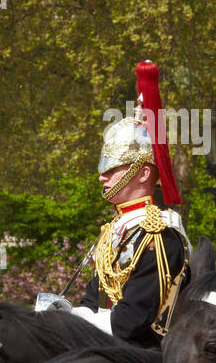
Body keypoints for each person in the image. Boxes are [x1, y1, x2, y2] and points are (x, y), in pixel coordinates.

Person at [71, 61, 190, 345]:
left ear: (143, 173)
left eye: (113, 169)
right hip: (105, 354)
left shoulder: (159, 236)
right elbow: (93, 301)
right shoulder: (113, 233)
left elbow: (130, 322)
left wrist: (71, 326)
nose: (103, 177)